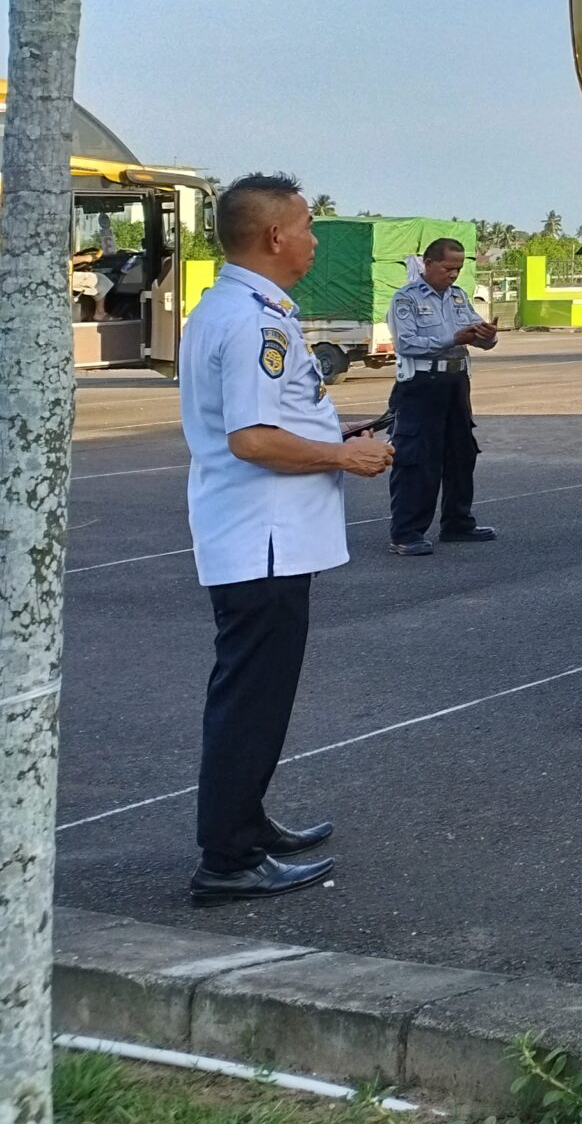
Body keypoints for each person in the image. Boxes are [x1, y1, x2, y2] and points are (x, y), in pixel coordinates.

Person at [180, 172, 394, 904]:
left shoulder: (237, 307)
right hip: (261, 538)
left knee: (256, 696)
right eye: (306, 224)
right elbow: (250, 438)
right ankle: (228, 857)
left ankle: (246, 823)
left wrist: (337, 432)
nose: (312, 237)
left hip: (257, 534)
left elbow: (275, 420)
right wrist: (344, 455)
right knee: (252, 699)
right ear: (274, 236)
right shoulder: (255, 322)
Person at [385, 237, 500, 554]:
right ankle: (406, 532)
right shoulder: (405, 300)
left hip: (456, 382)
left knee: (461, 453)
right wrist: (453, 337)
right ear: (429, 263)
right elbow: (406, 343)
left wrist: (487, 337)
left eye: (459, 269)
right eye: (448, 267)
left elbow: (477, 337)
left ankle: (457, 523)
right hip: (421, 384)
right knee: (417, 458)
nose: (453, 274)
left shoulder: (459, 297)